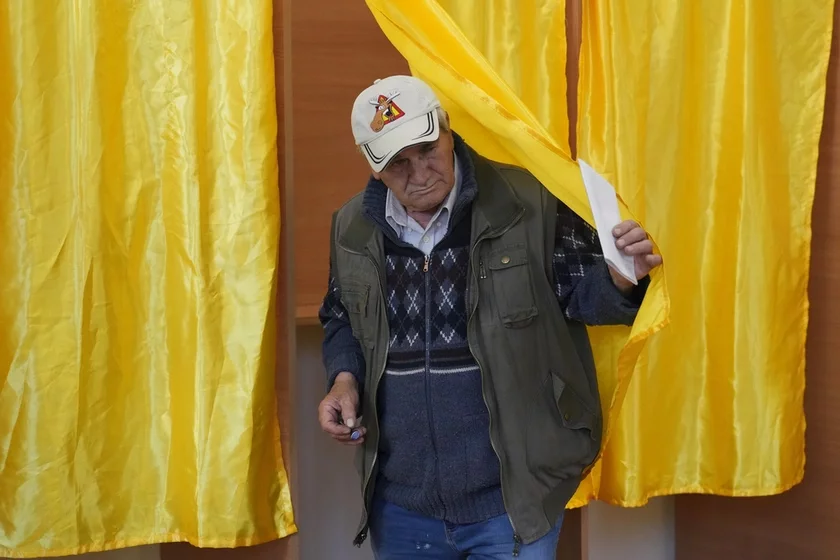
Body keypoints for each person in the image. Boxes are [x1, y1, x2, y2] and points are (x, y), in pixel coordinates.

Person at [317, 75, 662, 560]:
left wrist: (624, 279)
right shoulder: (352, 227)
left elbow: (585, 300)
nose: (421, 173)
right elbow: (341, 317)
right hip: (403, 505)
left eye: (428, 149)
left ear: (447, 129)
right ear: (373, 168)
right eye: (397, 164)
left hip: (513, 498)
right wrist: (343, 378)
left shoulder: (528, 201)